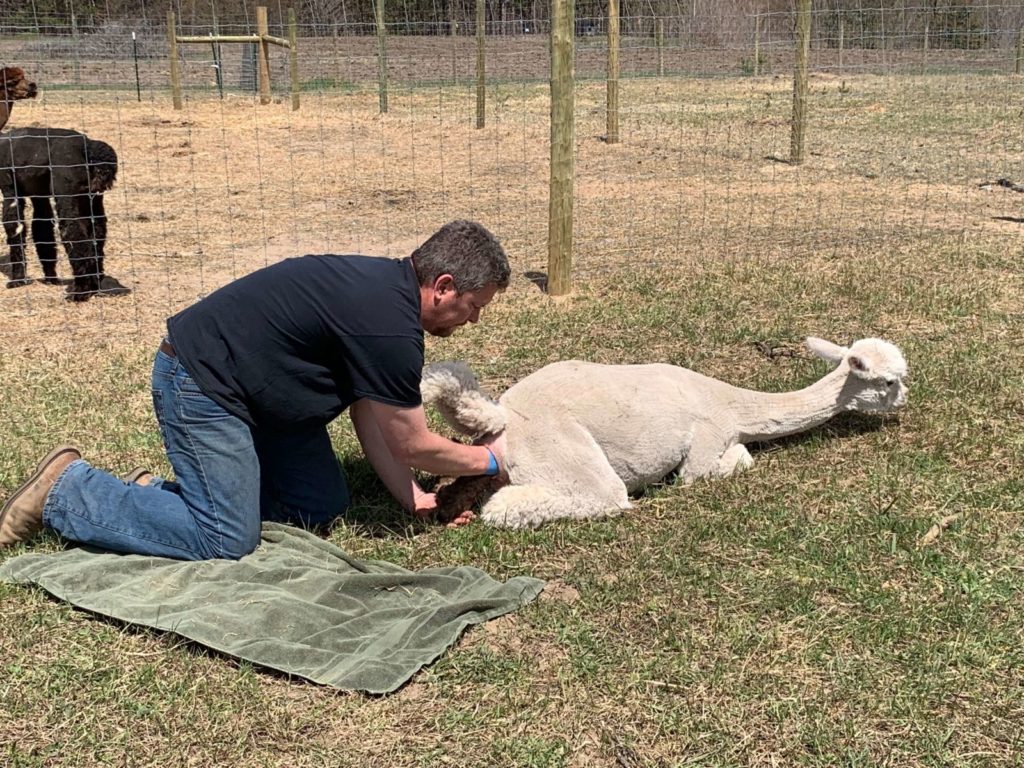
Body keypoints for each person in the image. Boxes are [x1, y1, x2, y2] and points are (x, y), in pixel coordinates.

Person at [0, 220, 511, 560]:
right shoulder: (390, 327)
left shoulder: (385, 295)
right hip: (204, 386)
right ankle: (67, 492)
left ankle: (154, 496)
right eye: (474, 304)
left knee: (319, 507)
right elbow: (412, 444)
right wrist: (493, 461)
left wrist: (415, 497)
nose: (474, 318)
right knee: (225, 540)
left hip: (263, 402)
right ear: (443, 286)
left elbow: (371, 417)